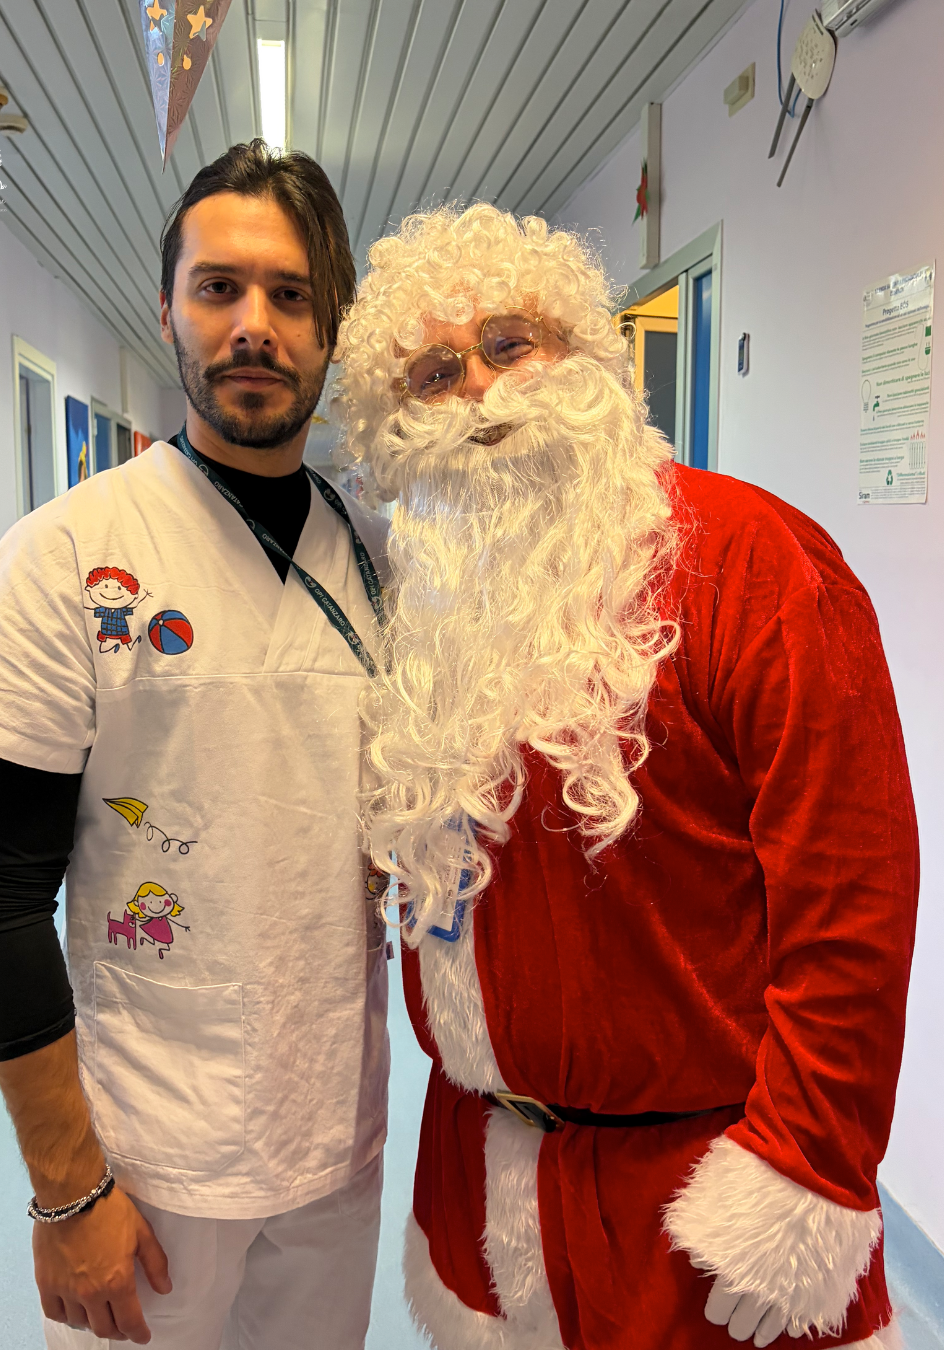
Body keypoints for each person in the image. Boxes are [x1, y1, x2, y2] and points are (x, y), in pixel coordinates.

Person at [334, 204, 917, 1350]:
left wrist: (807, 1164)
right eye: (436, 374)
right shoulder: (423, 604)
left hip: (704, 1206)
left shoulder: (751, 558)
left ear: (585, 350)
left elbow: (854, 892)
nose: (480, 393)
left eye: (509, 344)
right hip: (487, 1179)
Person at [0, 141, 390, 1349]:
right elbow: (2, 896)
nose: (254, 323)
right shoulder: (67, 556)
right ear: (167, 309)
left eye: (291, 294)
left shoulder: (379, 560)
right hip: (147, 1157)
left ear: (333, 326)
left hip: (335, 1139)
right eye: (219, 287)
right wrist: (69, 1191)